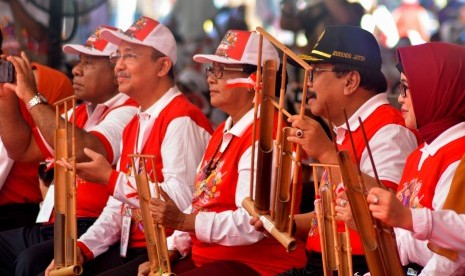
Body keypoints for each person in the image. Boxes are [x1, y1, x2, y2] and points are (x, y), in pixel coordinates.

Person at [46, 16, 213, 276]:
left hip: (167, 252)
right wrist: (83, 247)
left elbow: (178, 202)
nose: (119, 66)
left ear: (162, 66)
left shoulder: (182, 119)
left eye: (130, 56)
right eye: (118, 57)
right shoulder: (136, 121)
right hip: (131, 247)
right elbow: (117, 207)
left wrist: (110, 179)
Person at [139, 29, 307, 276]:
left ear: (256, 80)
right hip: (211, 261)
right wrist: (172, 248)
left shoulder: (268, 137)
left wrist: (184, 222)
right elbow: (202, 203)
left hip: (254, 268)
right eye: (211, 69)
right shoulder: (223, 130)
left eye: (221, 70)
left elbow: (250, 224)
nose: (211, 78)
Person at [253, 25, 419, 275]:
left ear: (351, 81)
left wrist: (328, 154)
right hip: (325, 263)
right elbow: (333, 214)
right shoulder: (346, 129)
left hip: (358, 267)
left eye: (315, 73)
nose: (307, 84)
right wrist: (288, 224)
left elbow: (388, 214)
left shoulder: (390, 129)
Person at [0, 25, 139, 276]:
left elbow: (85, 150)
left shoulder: (130, 111)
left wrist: (32, 95)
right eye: (79, 61)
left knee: (29, 262)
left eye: (88, 63)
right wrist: (7, 97)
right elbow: (22, 148)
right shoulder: (80, 112)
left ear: (117, 70)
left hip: (91, 227)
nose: (76, 69)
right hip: (55, 224)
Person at [366, 42, 465, 275]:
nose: (399, 99)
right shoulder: (420, 153)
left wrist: (409, 218)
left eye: (406, 89)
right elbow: (405, 243)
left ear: (436, 90)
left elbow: (450, 257)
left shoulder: (459, 154)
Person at [0, 28, 74, 231]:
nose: (77, 69)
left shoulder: (52, 83)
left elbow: (20, 150)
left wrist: (28, 95)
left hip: (27, 211)